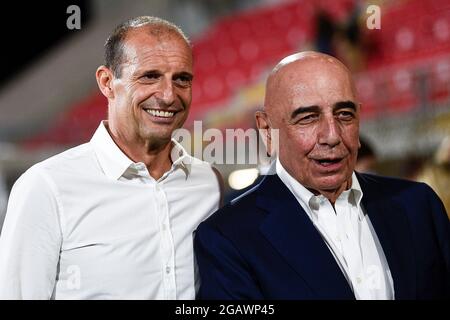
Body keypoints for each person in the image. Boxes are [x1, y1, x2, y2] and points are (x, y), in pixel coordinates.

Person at [194, 51, 450, 300]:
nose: (332, 136)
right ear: (267, 131)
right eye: (307, 118)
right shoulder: (227, 238)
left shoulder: (418, 204)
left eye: (345, 115)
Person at [0, 16, 221, 299]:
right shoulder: (46, 188)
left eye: (182, 79)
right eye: (149, 76)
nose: (168, 95)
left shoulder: (207, 184)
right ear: (106, 82)